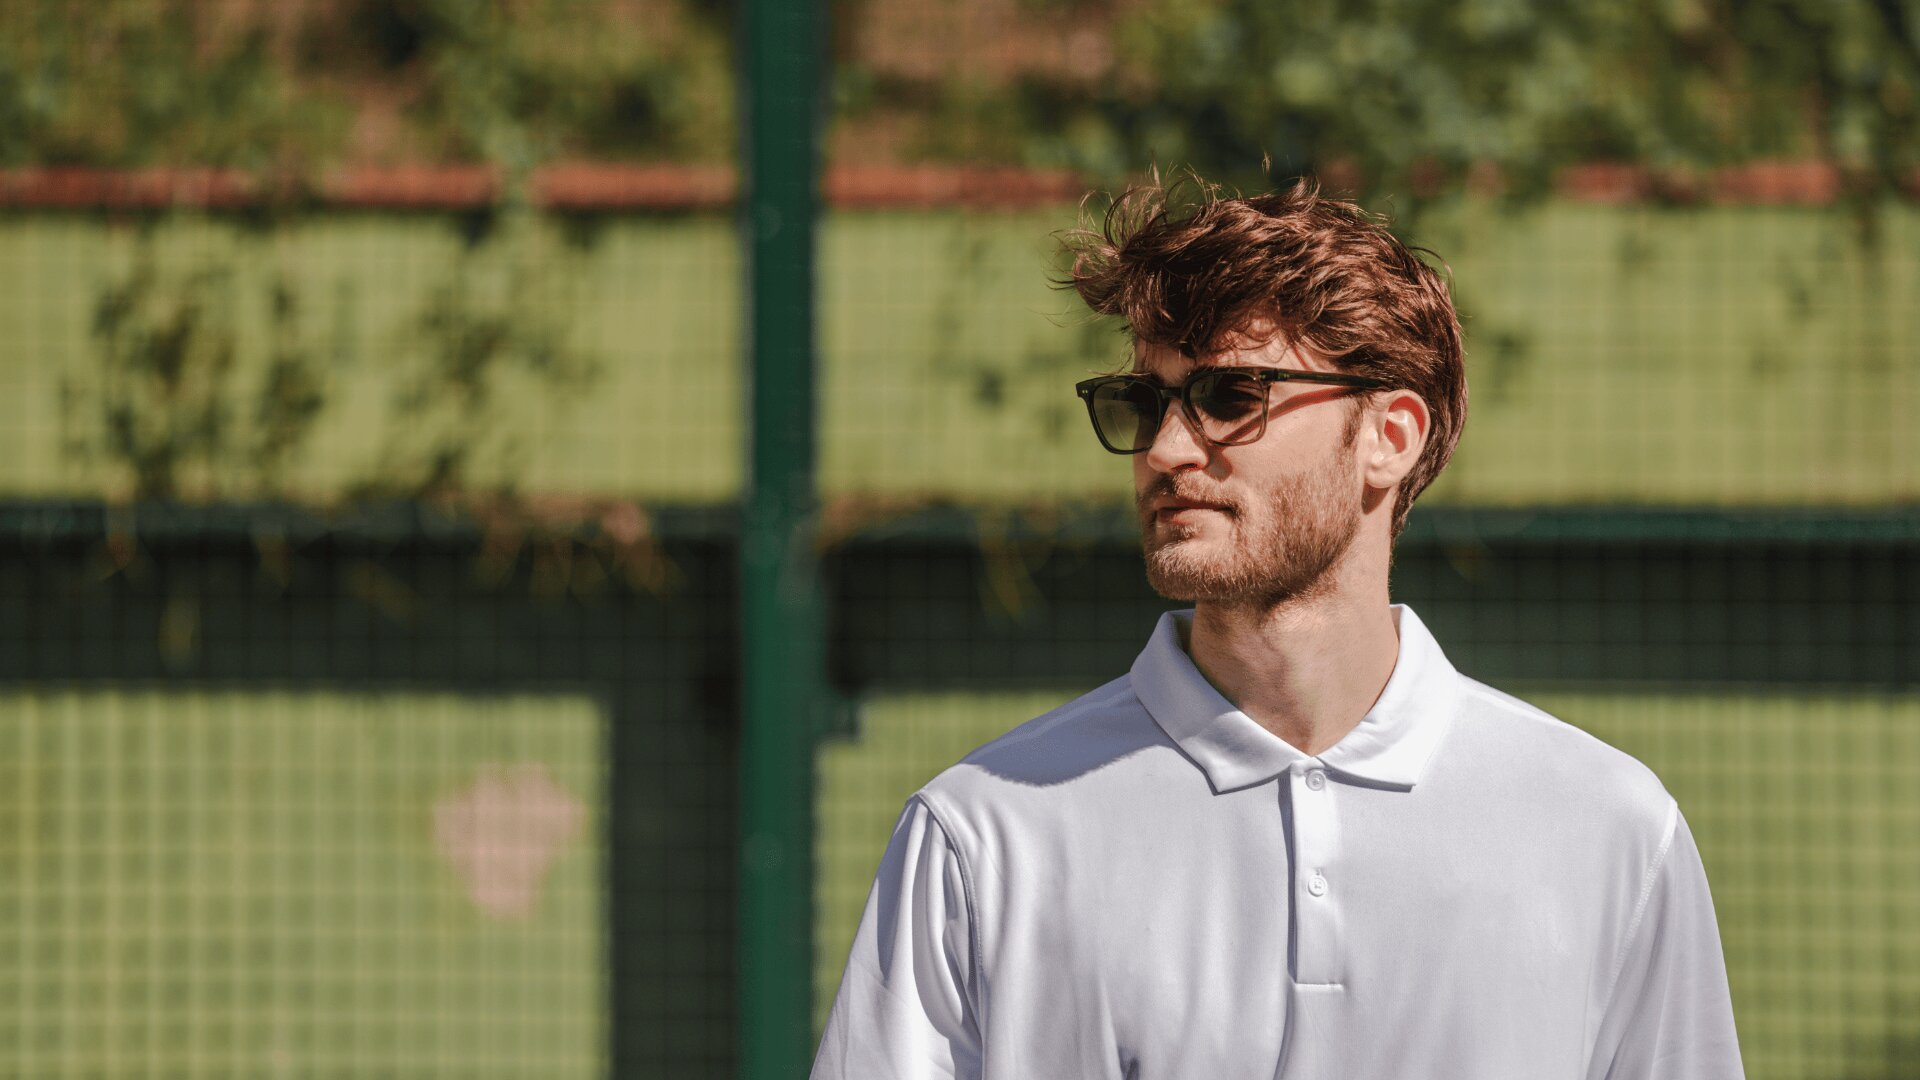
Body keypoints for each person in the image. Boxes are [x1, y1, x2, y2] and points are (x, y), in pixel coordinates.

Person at [812, 173, 1744, 1079]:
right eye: (1144, 404)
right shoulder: (982, 833)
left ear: (1391, 435)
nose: (1169, 451)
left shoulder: (1609, 830)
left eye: (1230, 397)